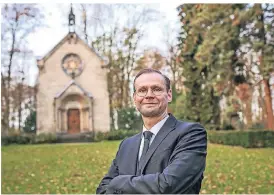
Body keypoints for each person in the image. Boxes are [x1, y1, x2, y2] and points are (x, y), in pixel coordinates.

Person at [96, 68, 207, 194]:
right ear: (135, 98)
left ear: (169, 95)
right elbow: (102, 190)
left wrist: (117, 183)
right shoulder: (126, 145)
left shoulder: (190, 134)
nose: (149, 95)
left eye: (156, 89)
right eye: (142, 90)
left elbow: (168, 185)